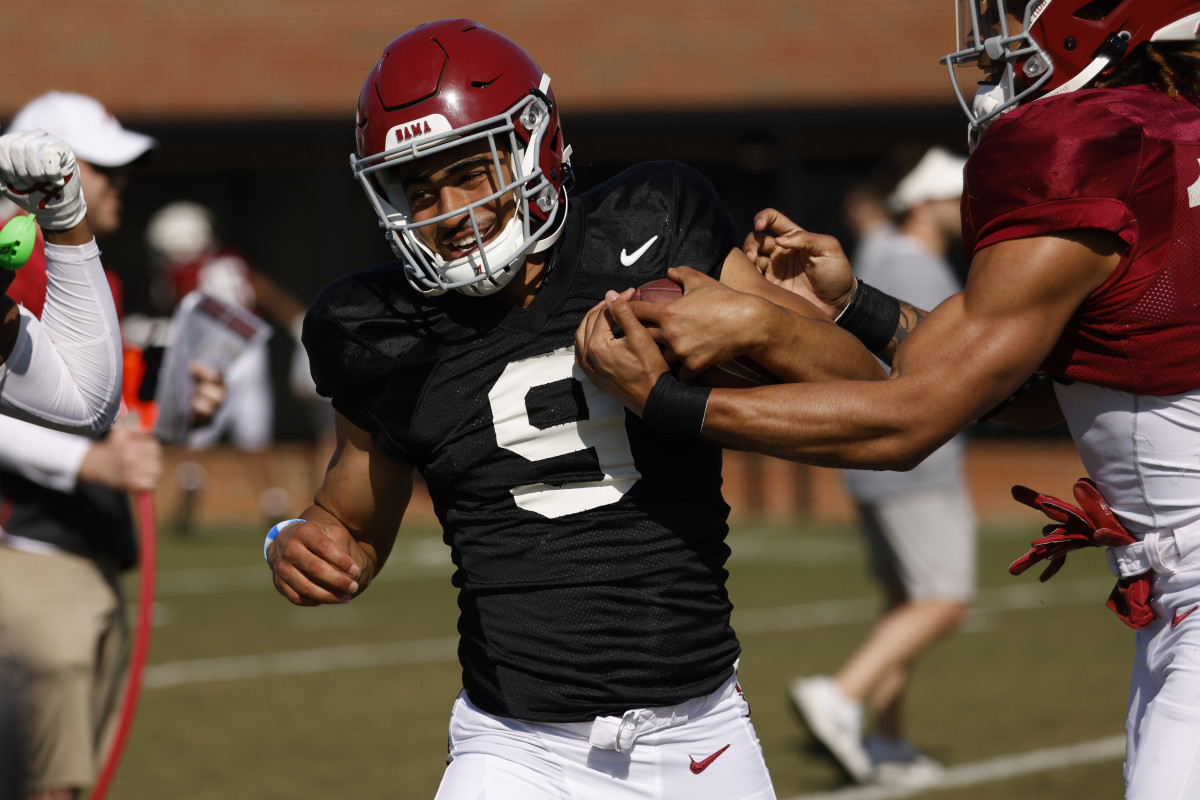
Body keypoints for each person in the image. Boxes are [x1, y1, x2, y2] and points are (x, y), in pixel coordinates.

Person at [574, 3, 1200, 797]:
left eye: (1016, 9)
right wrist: (853, 305)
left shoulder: (1093, 145)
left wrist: (666, 403)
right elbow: (1031, 389)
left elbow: (911, 421)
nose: (991, 36)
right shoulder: (1172, 135)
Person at [266, 19, 882, 800]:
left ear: (533, 147)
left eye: (469, 171)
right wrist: (297, 542)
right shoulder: (380, 328)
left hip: (701, 734)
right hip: (516, 748)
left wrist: (757, 322)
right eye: (419, 189)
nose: (448, 210)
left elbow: (858, 385)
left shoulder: (653, 227)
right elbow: (347, 522)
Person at [0, 91, 225, 800]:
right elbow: (85, 420)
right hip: (30, 555)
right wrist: (89, 460)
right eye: (105, 168)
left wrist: (174, 413)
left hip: (85, 549)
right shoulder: (27, 262)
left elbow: (99, 406)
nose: (119, 184)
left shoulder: (74, 265)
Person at [789, 148, 976, 786]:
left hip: (873, 463)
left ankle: (889, 743)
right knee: (946, 600)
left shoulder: (883, 257)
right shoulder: (914, 265)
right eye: (953, 198)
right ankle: (840, 695)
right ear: (922, 205)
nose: (962, 207)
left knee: (904, 601)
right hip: (917, 464)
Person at [143, 200, 298, 531]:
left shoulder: (184, 272)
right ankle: (273, 501)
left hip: (215, 355)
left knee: (195, 426)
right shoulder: (232, 260)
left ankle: (189, 485)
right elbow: (262, 290)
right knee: (255, 435)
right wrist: (295, 319)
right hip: (251, 353)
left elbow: (185, 318)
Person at [0, 114, 128, 434]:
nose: (121, 182)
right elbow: (87, 403)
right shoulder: (16, 255)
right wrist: (83, 465)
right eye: (105, 168)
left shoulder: (106, 273)